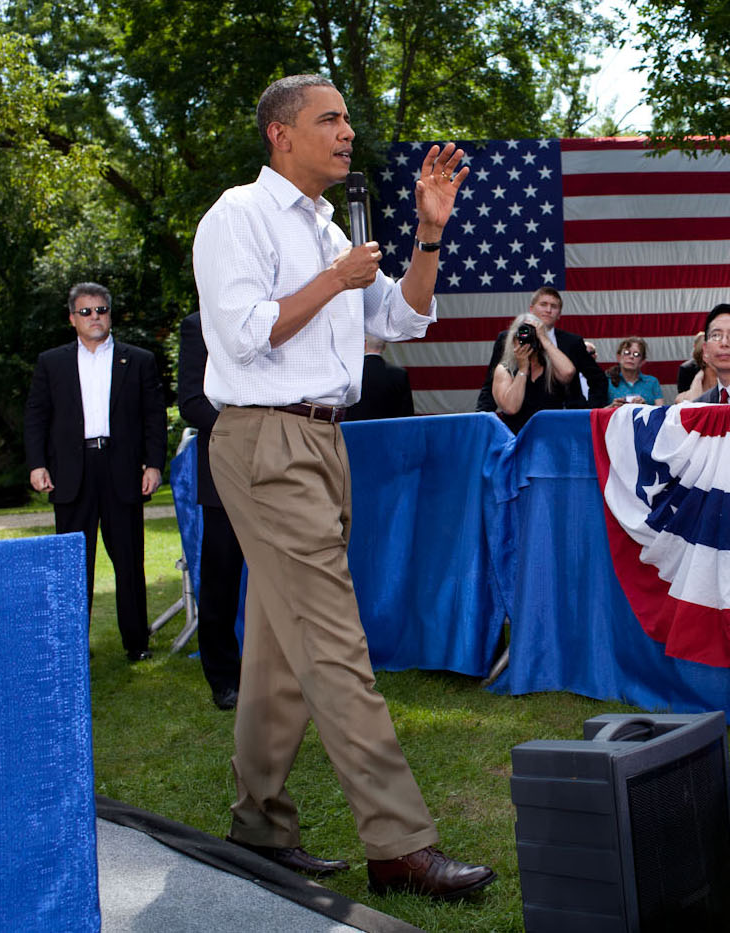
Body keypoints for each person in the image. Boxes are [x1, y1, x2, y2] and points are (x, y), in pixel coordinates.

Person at [191, 74, 494, 900]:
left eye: (349, 119)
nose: (347, 131)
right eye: (330, 118)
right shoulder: (238, 217)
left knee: (284, 651)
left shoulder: (330, 227)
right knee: (333, 642)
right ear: (279, 134)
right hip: (264, 439)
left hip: (325, 441)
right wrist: (334, 279)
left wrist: (430, 234)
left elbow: (401, 318)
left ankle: (258, 827)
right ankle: (399, 843)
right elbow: (244, 333)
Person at [24, 282, 166, 662]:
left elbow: (154, 417)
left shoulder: (137, 360)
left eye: (101, 310)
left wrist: (154, 464)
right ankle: (71, 645)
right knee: (72, 562)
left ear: (110, 314)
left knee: (129, 560)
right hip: (72, 471)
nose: (95, 318)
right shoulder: (51, 363)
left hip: (122, 469)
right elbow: (36, 417)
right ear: (72, 319)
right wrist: (37, 464)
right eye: (85, 312)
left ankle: (137, 643)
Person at [176, 312, 243, 709]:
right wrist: (246, 432)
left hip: (279, 463)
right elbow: (191, 402)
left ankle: (288, 670)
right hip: (223, 468)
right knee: (221, 578)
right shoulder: (197, 324)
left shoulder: (280, 312)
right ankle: (223, 679)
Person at [474, 287, 607, 412]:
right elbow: (491, 381)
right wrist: (482, 417)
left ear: (559, 314)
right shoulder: (509, 338)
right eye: (543, 304)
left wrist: (590, 411)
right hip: (521, 412)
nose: (548, 310)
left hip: (565, 415)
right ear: (531, 309)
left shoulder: (572, 342)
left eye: (554, 306)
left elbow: (597, 379)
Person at [345, 335, 414, 421]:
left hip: (354, 431)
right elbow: (407, 413)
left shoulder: (350, 373)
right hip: (389, 431)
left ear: (364, 344)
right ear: (384, 347)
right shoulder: (399, 374)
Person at [606, 336, 664, 406]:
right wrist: (611, 407)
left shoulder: (652, 382)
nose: (631, 357)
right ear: (618, 357)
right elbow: (595, 413)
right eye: (627, 353)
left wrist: (645, 406)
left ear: (642, 361)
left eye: (636, 354)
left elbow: (661, 412)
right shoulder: (607, 381)